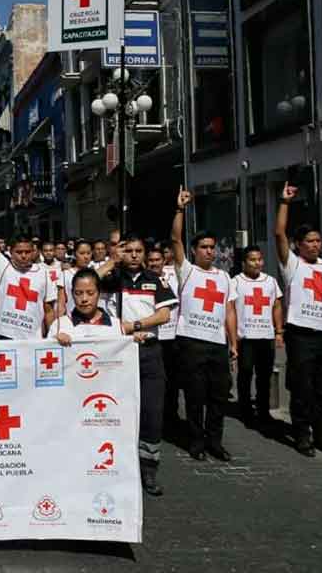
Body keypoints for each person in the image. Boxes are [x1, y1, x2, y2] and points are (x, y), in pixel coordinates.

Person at [97, 236, 177, 496]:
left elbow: (164, 314)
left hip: (148, 352)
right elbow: (87, 283)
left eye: (137, 251)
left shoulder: (155, 280)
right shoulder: (112, 278)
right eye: (128, 251)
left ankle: (149, 471)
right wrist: (112, 260)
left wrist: (135, 326)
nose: (132, 255)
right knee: (116, 413)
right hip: (118, 354)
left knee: (152, 414)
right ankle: (116, 468)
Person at [276, 182, 322, 457]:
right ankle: (302, 435)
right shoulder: (293, 265)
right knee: (302, 387)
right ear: (299, 245)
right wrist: (284, 203)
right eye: (310, 241)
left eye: (318, 241)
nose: (315, 245)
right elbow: (278, 233)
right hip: (301, 334)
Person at [171, 187, 239, 461]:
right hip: (191, 341)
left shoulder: (225, 277)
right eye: (204, 247)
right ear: (194, 250)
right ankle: (196, 442)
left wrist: (233, 343)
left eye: (212, 247)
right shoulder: (187, 270)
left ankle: (215, 442)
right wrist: (180, 210)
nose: (209, 252)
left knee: (219, 396)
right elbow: (175, 239)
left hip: (217, 344)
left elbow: (230, 311)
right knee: (196, 396)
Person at [0, 184, 57, 340]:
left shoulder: (44, 275)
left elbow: (48, 310)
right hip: (4, 336)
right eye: (19, 252)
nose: (24, 256)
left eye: (27, 252)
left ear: (34, 251)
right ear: (10, 252)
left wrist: (52, 338)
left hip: (32, 338)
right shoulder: (3, 267)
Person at [230, 246, 284, 430]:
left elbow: (276, 306)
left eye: (259, 259)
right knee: (245, 373)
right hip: (245, 337)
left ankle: (263, 410)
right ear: (244, 262)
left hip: (265, 336)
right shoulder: (236, 282)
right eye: (252, 260)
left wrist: (278, 332)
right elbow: (230, 310)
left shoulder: (270, 282)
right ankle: (244, 409)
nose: (257, 263)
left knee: (264, 376)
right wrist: (232, 338)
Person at [148, 247, 182, 433]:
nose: (154, 263)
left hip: (172, 337)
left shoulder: (174, 275)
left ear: (164, 260)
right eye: (151, 260)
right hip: (153, 337)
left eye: (157, 260)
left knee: (172, 380)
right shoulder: (144, 279)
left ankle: (172, 416)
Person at [62, 240, 94, 314]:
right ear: (74, 254)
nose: (86, 256)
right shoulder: (65, 274)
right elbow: (61, 304)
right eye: (82, 253)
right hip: (72, 320)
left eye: (88, 253)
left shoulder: (95, 273)